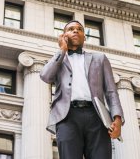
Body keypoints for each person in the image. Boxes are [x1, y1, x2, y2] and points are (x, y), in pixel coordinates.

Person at [40, 20, 124, 159]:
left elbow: (111, 91)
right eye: (71, 29)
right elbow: (45, 76)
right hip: (67, 117)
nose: (75, 31)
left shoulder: (100, 58)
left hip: (97, 116)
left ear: (84, 37)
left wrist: (118, 118)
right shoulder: (59, 60)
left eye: (79, 29)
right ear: (64, 36)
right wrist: (62, 50)